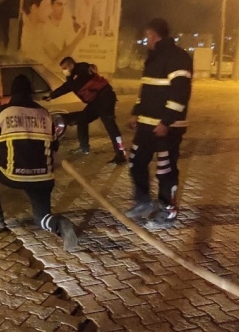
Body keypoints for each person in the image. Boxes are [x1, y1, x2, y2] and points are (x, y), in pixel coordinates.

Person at [0, 75, 78, 251]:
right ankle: (59, 223)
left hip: (13, 175)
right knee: (42, 218)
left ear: (12, 92)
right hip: (43, 178)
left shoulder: (4, 112)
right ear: (31, 92)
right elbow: (54, 145)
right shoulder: (45, 114)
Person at [125, 18, 193, 230]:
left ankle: (168, 210)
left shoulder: (178, 57)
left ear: (154, 36)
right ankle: (143, 201)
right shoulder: (153, 58)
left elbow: (181, 92)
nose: (146, 41)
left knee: (165, 170)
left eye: (147, 37)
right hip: (146, 125)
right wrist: (136, 112)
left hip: (167, 127)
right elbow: (146, 90)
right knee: (136, 162)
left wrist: (166, 121)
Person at [43, 57, 127, 164]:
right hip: (95, 101)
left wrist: (91, 68)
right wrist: (51, 96)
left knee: (110, 126)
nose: (64, 70)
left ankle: (121, 153)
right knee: (82, 120)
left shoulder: (81, 68)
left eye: (65, 68)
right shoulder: (72, 79)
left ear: (71, 66)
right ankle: (84, 148)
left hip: (105, 98)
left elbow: (87, 68)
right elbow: (65, 87)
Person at [42, 0, 85, 67]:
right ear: (51, 5)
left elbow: (72, 53)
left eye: (65, 4)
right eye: (59, 4)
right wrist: (78, 38)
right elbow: (60, 59)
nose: (63, 9)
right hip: (46, 74)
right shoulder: (44, 27)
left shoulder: (65, 22)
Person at [19, 0, 51, 64]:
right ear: (33, 8)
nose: (50, 11)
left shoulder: (41, 28)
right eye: (46, 6)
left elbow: (56, 57)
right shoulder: (19, 31)